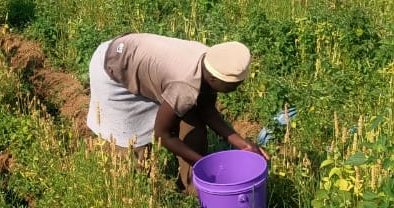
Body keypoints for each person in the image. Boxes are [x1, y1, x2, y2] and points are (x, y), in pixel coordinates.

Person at [86, 33, 266, 191]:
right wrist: (203, 164)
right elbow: (161, 135)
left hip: (140, 58)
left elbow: (207, 110)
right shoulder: (185, 86)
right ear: (212, 78)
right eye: (233, 85)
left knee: (194, 128)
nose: (238, 87)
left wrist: (243, 145)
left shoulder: (211, 62)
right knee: (135, 151)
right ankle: (141, 198)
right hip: (113, 68)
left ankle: (192, 190)